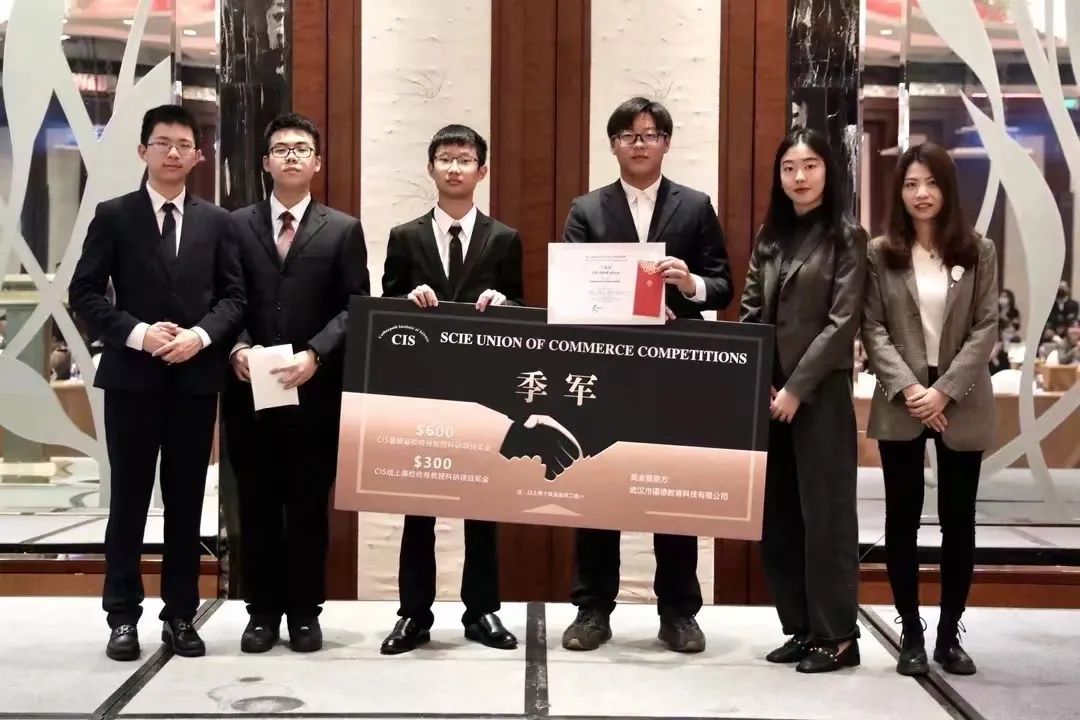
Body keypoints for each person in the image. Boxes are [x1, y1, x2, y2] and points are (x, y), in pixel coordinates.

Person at [69, 104, 245, 661]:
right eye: (163, 142)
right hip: (132, 381)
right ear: (142, 150)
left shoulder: (218, 222)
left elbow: (234, 298)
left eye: (183, 144)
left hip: (194, 381)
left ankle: (180, 615)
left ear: (198, 156)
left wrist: (201, 336)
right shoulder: (114, 215)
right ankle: (122, 617)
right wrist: (138, 333)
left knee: (187, 502)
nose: (173, 152)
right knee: (127, 501)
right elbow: (84, 292)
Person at [559, 97, 732, 653]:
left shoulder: (695, 206)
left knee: (672, 489)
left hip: (673, 370)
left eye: (651, 133)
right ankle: (592, 609)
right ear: (613, 144)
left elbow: (723, 285)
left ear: (666, 143)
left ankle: (679, 612)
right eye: (629, 135)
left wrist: (688, 285)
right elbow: (570, 291)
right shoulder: (587, 209)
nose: (640, 143)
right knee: (596, 486)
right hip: (605, 370)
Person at [378, 124, 524, 655]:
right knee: (418, 507)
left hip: (485, 392)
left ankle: (482, 611)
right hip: (424, 390)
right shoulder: (404, 236)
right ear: (431, 168)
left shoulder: (505, 238)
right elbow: (384, 313)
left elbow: (523, 310)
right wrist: (404, 301)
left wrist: (505, 305)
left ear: (482, 171)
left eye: (465, 159)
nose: (455, 167)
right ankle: (413, 614)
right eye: (445, 158)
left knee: (482, 505)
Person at [227, 112, 370, 653]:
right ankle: (261, 612)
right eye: (281, 148)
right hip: (248, 390)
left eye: (301, 148)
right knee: (256, 503)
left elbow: (355, 306)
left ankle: (305, 613)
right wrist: (237, 347)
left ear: (317, 163)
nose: (291, 156)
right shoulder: (234, 225)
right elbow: (222, 298)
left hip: (315, 391)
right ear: (265, 163)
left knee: (308, 504)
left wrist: (316, 353)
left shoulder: (343, 229)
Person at [863, 142, 998, 677]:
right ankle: (912, 634)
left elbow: (986, 326)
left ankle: (948, 634)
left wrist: (943, 391)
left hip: (960, 398)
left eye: (932, 183)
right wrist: (910, 390)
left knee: (958, 523)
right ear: (899, 192)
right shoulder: (880, 252)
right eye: (911, 184)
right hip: (903, 401)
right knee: (901, 522)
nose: (922, 193)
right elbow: (872, 326)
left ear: (948, 189)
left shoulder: (978, 250)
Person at [739, 128, 867, 673]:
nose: (799, 177)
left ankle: (837, 636)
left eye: (810, 166)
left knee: (827, 518)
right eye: (789, 167)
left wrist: (796, 388)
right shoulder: (770, 235)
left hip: (819, 397)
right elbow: (750, 310)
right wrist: (760, 380)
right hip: (769, 397)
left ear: (827, 172)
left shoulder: (848, 237)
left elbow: (842, 324)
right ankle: (801, 627)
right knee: (781, 517)